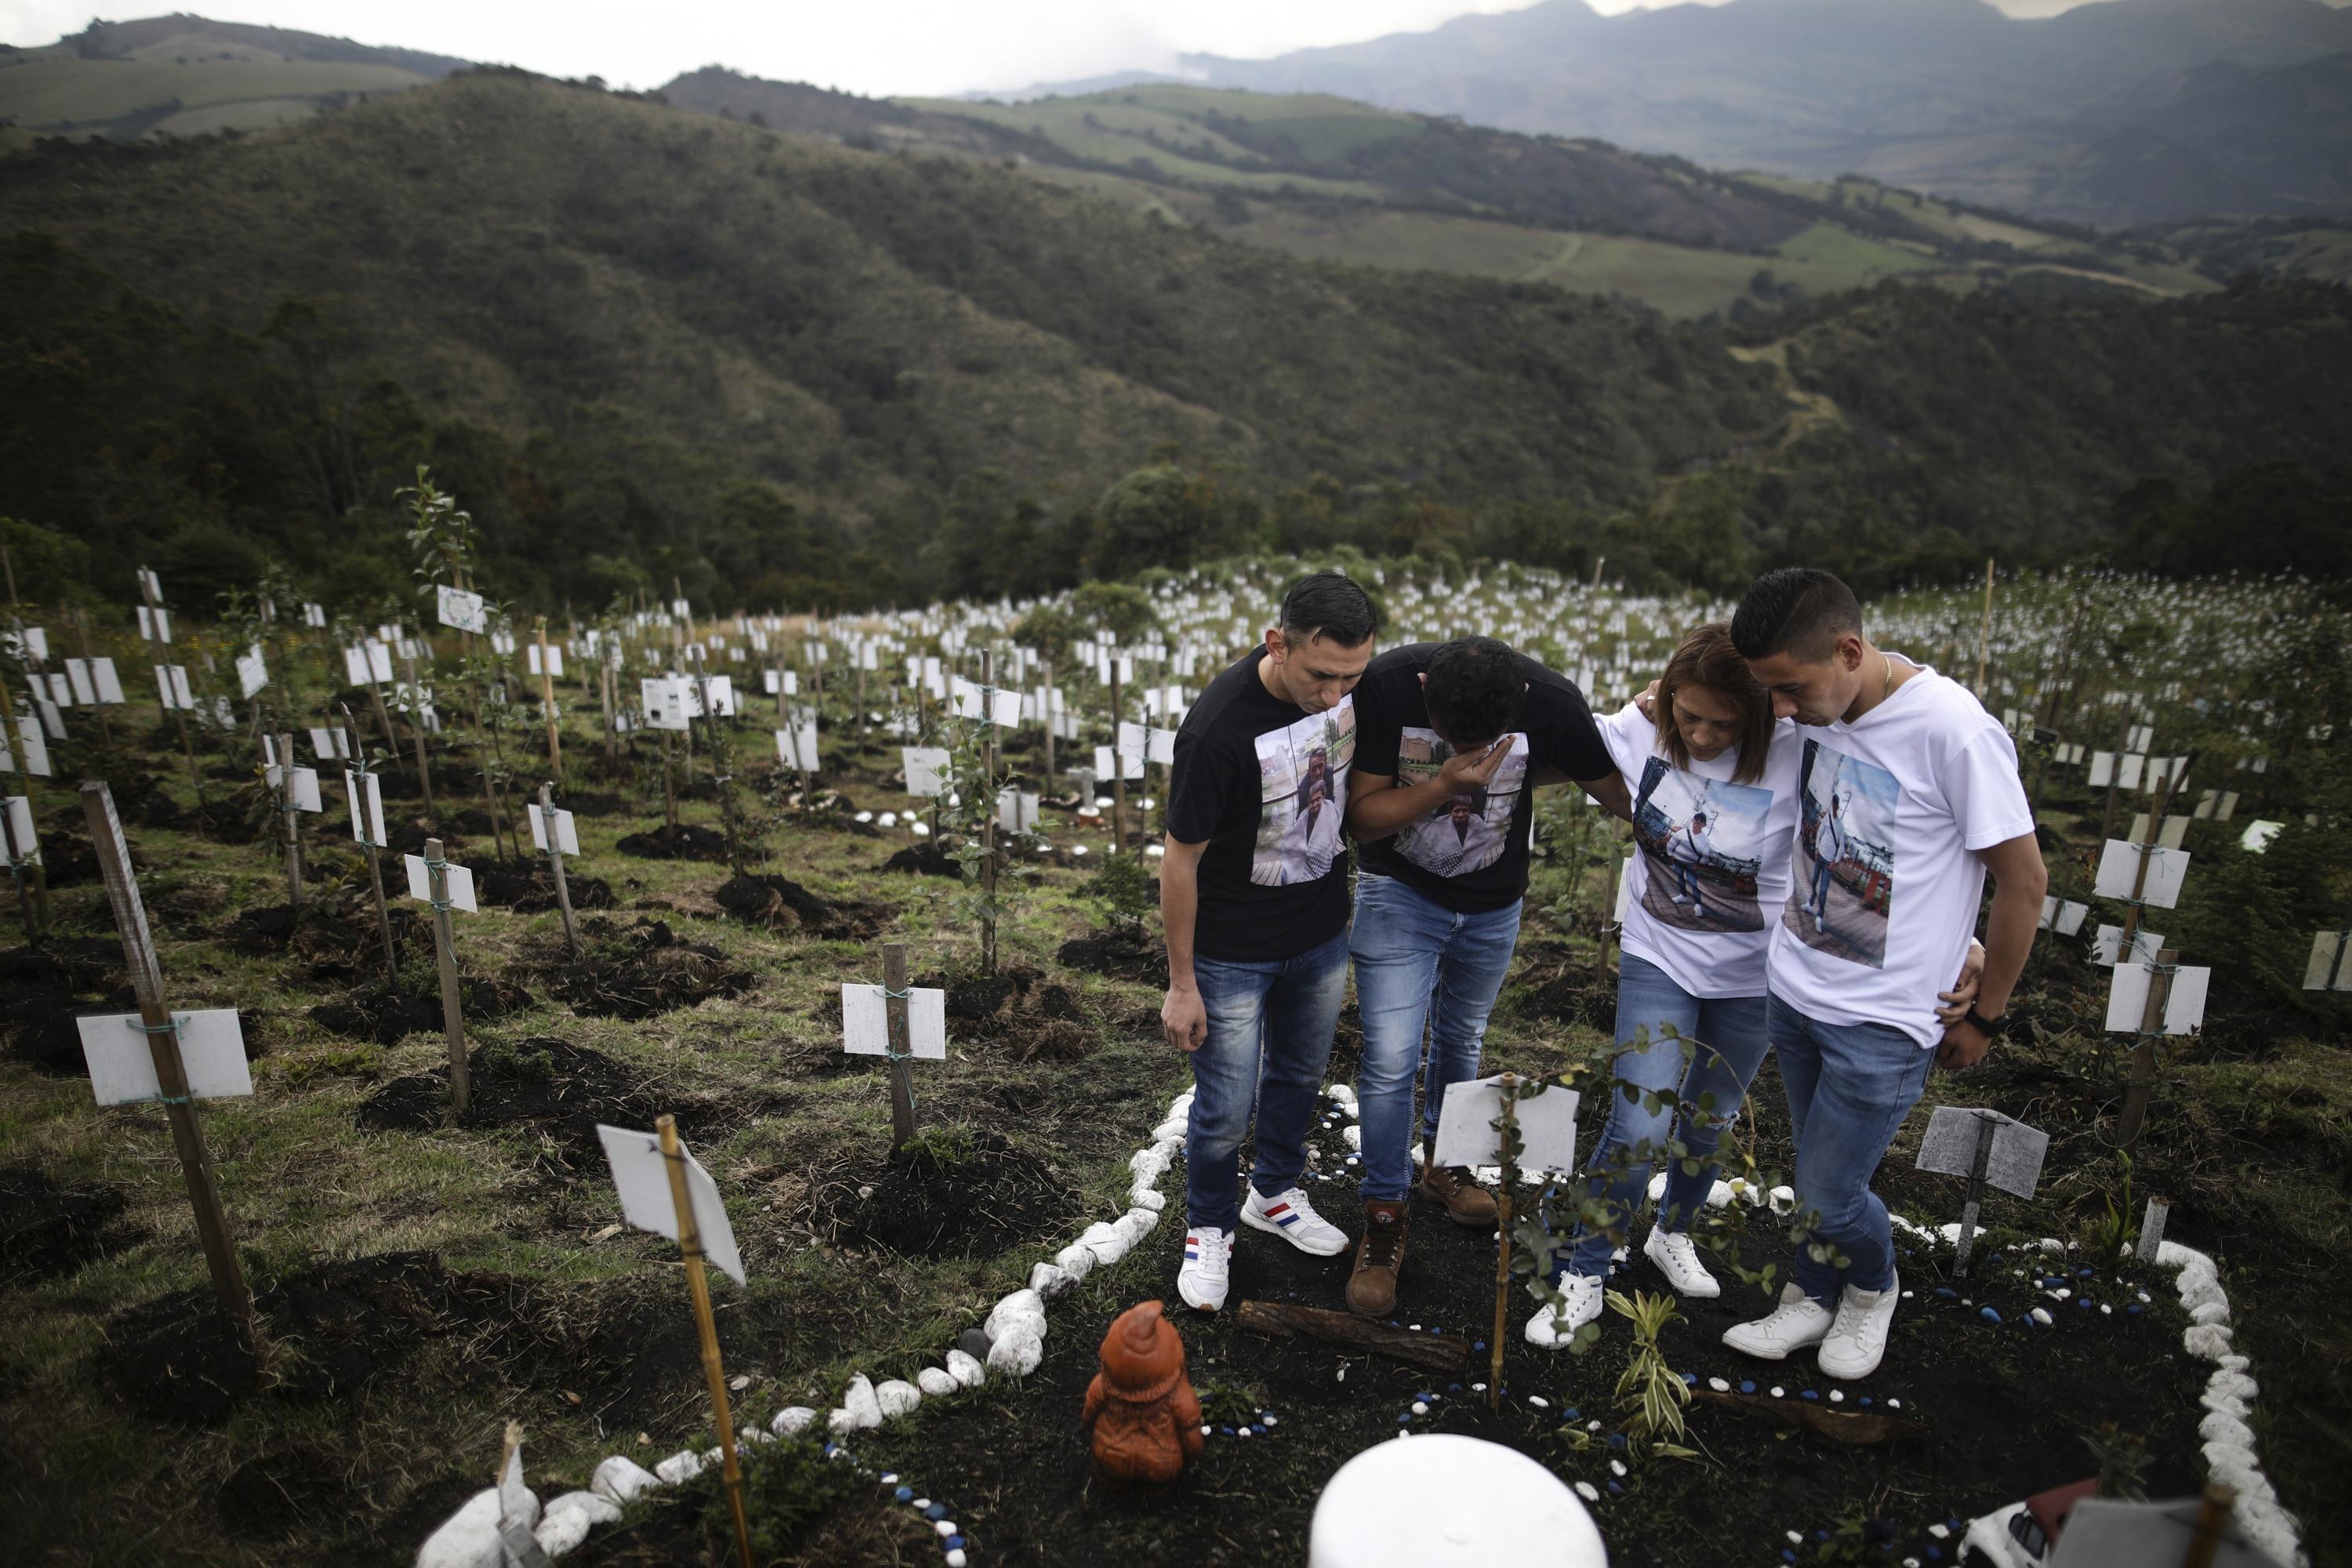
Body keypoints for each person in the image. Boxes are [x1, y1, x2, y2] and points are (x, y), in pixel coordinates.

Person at [1528, 624, 1984, 1352]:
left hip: (1758, 973)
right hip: (1659, 952)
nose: (1702, 735)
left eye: (1723, 722)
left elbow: (1879, 844)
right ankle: (1586, 1267)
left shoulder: (1800, 749)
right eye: (1689, 715)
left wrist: (1969, 940)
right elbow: (1555, 744)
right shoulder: (1640, 730)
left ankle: (1671, 1233)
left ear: (1762, 715)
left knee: (1708, 1120)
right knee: (1639, 1124)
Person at [1719, 568, 2044, 1381]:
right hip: (1794, 991)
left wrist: (1987, 1013)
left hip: (1886, 1015)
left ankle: (1873, 1284)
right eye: (1772, 694)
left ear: (1850, 649)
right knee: (1816, 1167)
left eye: (1790, 689)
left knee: (1831, 1188)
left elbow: (2024, 878)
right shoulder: (1814, 703)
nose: (1782, 711)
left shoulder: (1953, 731)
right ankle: (1810, 1289)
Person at [1341, 635, 1631, 1316]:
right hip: (1398, 895)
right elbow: (1361, 816)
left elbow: (1614, 787)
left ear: (1521, 704)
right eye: (1445, 734)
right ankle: (1384, 1215)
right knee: (1388, 1058)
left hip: (1494, 904)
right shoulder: (1385, 687)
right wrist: (1445, 784)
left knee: (1463, 1036)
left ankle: (1446, 1163)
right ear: (1423, 686)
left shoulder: (1553, 700)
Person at [1162, 570, 1380, 1313]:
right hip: (1231, 951)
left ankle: (1276, 1194)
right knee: (1223, 1104)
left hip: (1319, 935)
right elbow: (1179, 858)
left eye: (1352, 677)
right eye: (1322, 676)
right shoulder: (1218, 729)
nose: (1335, 696)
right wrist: (1182, 982)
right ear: (1276, 643)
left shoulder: (1349, 688)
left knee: (1297, 1077)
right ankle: (1210, 1226)